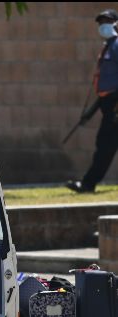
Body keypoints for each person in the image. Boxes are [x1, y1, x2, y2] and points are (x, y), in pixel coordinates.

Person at [67, 9, 118, 193]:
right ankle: (88, 183)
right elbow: (105, 88)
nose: (103, 25)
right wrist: (90, 113)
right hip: (108, 104)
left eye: (107, 21)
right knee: (105, 145)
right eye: (100, 22)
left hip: (115, 106)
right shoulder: (108, 46)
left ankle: (88, 184)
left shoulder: (116, 45)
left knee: (104, 145)